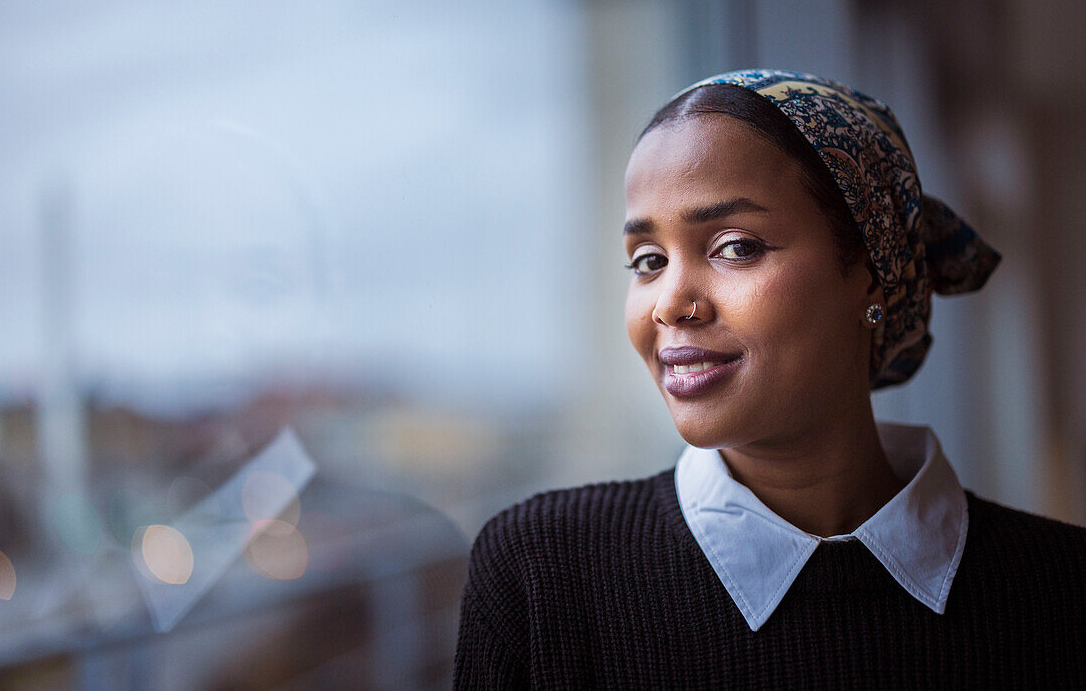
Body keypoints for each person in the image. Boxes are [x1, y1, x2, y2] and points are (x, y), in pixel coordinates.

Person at [452, 70, 1086, 688]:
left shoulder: (1062, 593)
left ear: (870, 270)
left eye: (735, 246)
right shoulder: (541, 575)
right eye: (648, 260)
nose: (669, 303)